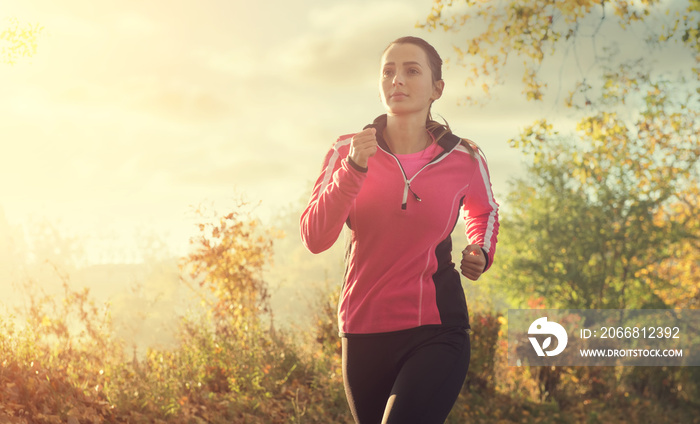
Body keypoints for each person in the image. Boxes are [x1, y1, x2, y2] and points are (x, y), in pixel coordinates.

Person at [300, 36, 499, 424]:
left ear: (436, 88)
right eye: (388, 71)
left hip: (436, 328)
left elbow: (483, 210)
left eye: (411, 71)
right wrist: (355, 168)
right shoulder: (346, 151)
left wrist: (480, 249)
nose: (397, 80)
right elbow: (315, 237)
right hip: (362, 329)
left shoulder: (464, 158)